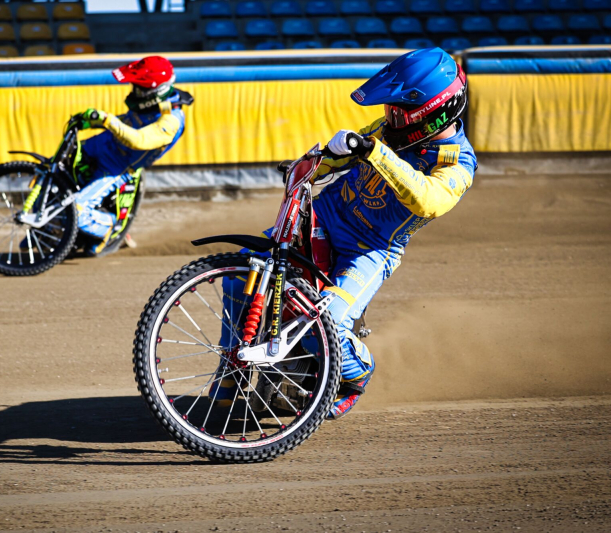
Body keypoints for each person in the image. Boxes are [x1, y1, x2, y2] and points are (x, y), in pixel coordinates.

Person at [212, 47, 477, 420]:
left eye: (398, 111)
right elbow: (344, 155)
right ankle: (230, 373)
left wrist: (374, 152)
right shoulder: (387, 131)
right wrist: (315, 161)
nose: (389, 118)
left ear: (432, 115)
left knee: (325, 323)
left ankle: (356, 374)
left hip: (370, 250)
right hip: (322, 215)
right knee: (244, 277)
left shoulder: (457, 162)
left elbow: (429, 201)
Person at [71, 56, 193, 255]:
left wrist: (107, 120)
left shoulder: (172, 119)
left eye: (138, 87)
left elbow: (139, 140)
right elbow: (129, 120)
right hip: (101, 144)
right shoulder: (150, 103)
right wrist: (91, 122)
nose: (134, 91)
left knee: (77, 210)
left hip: (118, 166)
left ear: (154, 91)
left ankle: (109, 227)